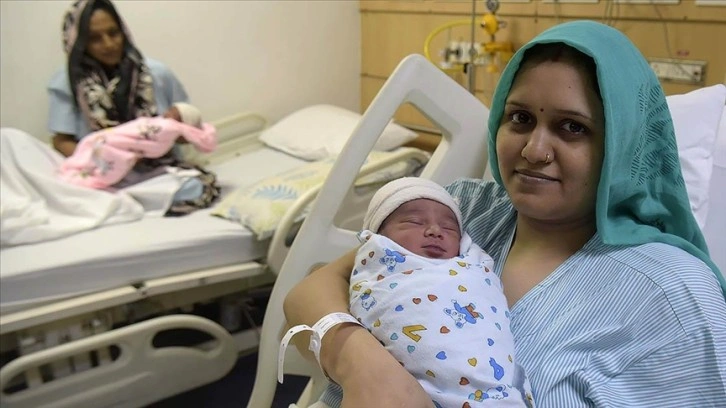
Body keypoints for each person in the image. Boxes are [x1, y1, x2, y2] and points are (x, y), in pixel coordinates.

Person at [283, 20, 726, 408]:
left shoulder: (674, 297)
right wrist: (364, 369)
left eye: (573, 127)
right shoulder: (459, 211)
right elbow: (311, 291)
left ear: (622, 144)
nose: (534, 150)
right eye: (520, 118)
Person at [280, 177, 535, 407]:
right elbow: (306, 295)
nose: (435, 231)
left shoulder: (470, 260)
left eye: (449, 228)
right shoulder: (460, 202)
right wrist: (362, 367)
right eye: (414, 222)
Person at [48, 0, 189, 157]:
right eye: (94, 38)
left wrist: (180, 130)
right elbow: (61, 141)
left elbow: (189, 128)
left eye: (113, 33)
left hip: (163, 165)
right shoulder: (68, 83)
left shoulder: (157, 73)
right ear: (80, 43)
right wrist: (102, 160)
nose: (108, 44)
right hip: (102, 167)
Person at [58, 102, 217, 189]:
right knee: (103, 148)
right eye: (169, 111)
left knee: (196, 184)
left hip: (132, 163)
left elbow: (150, 144)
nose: (166, 115)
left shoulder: (168, 128)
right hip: (110, 142)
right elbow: (136, 134)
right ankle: (89, 173)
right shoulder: (163, 126)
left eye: (173, 115)